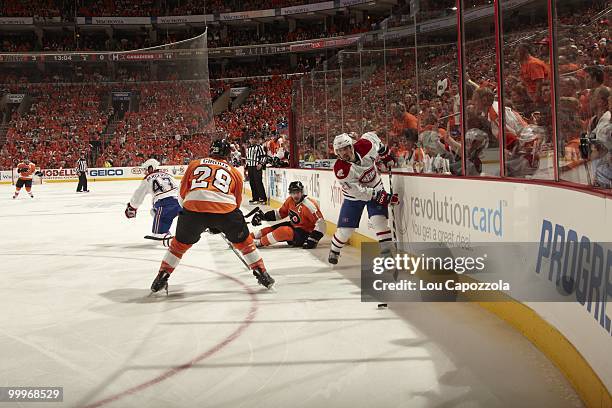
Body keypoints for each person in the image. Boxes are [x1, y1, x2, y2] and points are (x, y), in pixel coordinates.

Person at [150, 139, 274, 294]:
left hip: (193, 209)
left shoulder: (195, 164)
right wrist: (220, 222)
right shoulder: (234, 171)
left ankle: (162, 276)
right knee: (244, 243)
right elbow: (236, 202)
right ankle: (262, 273)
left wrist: (191, 214)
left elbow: (182, 194)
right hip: (226, 211)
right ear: (227, 153)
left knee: (178, 246)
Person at [328, 131, 398, 264]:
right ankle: (334, 250)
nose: (344, 153)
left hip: (375, 185)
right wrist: (380, 196)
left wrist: (384, 153)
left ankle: (388, 255)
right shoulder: (341, 169)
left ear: (352, 146)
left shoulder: (366, 145)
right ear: (337, 153)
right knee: (346, 231)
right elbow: (358, 192)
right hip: (354, 198)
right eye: (340, 151)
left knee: (380, 222)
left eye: (346, 148)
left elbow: (373, 136)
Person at [250, 181, 326, 248]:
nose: (295, 195)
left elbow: (321, 223)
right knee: (270, 229)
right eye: (293, 193)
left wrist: (313, 239)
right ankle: (247, 238)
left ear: (302, 192)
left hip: (305, 233)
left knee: (282, 231)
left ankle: (259, 243)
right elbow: (280, 213)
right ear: (290, 193)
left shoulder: (309, 205)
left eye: (298, 192)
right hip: (294, 227)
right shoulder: (290, 200)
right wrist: (264, 217)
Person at [124, 159, 181, 241]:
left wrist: (132, 207)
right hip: (180, 203)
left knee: (158, 235)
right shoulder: (169, 175)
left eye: (146, 169)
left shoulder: (148, 178)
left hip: (164, 204)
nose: (145, 172)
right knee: (153, 211)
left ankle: (164, 235)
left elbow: (138, 196)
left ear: (151, 168)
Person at [246, 134, 268, 204]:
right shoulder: (248, 148)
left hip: (256, 167)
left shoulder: (259, 147)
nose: (252, 140)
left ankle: (263, 198)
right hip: (250, 167)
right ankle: (255, 198)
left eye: (253, 138)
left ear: (256, 140)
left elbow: (264, 156)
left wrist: (261, 164)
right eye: (250, 139)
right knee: (252, 182)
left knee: (258, 182)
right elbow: (248, 158)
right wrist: (246, 165)